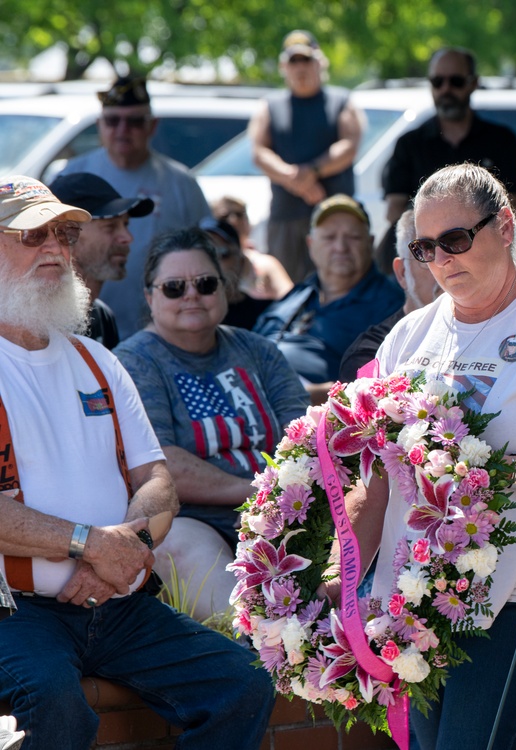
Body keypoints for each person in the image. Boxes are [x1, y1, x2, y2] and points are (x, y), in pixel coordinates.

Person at [329, 163, 516, 749]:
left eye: (457, 240)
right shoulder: (408, 338)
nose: (441, 259)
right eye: (425, 246)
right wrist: (343, 573)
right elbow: (376, 475)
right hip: (425, 589)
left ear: (506, 226)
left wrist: (483, 478)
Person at [0, 176, 273, 748]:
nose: (54, 247)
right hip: (15, 616)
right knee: (52, 703)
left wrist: (114, 558)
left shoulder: (97, 359)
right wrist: (90, 544)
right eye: (32, 234)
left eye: (63, 233)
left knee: (243, 683)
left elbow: (156, 482)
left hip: (115, 601)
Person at [114, 228, 309, 620]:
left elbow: (303, 437)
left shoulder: (258, 350)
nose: (191, 295)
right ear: (150, 296)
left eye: (205, 284)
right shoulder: (132, 362)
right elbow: (161, 466)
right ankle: (264, 657)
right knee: (245, 613)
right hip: (189, 521)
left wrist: (274, 502)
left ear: (225, 289)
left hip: (282, 511)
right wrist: (256, 492)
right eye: (173, 287)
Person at [60, 76, 212, 339]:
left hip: (159, 334)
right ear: (99, 125)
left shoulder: (181, 182)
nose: (122, 129)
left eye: (134, 121)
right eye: (112, 120)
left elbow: (206, 253)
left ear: (152, 126)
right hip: (78, 325)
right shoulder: (74, 175)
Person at [380, 46, 516, 272]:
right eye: (437, 82)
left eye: (456, 81)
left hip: (485, 259)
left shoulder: (501, 140)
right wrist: (438, 233)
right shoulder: (409, 143)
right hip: (427, 262)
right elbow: (395, 211)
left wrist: (468, 229)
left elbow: (515, 203)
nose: (446, 89)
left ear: (473, 83)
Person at [253, 194, 403, 403]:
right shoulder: (297, 295)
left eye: (353, 237)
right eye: (329, 237)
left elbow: (382, 388)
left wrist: (313, 394)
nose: (340, 247)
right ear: (311, 244)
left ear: (370, 243)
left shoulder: (393, 305)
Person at [249, 30, 365, 283]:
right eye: (294, 61)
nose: (300, 67)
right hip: (286, 218)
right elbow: (259, 151)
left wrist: (312, 171)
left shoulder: (341, 101)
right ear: (284, 66)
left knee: (340, 284)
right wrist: (295, 179)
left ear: (320, 62)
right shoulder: (270, 105)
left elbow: (349, 145)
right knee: (287, 289)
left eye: (306, 60)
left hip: (335, 217)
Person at [48, 172, 155, 349]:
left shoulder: (101, 316)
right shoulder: (34, 323)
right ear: (66, 235)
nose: (127, 237)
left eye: (126, 224)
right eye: (110, 226)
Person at [339, 209, 439, 379]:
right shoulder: (369, 355)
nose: (445, 264)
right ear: (402, 273)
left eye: (456, 247)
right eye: (426, 254)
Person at [211, 195, 294, 300]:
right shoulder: (205, 264)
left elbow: (292, 300)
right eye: (224, 217)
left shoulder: (264, 264)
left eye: (239, 214)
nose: (233, 220)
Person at [198, 216, 272, 330]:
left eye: (222, 253)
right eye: (203, 255)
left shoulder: (268, 314)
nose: (212, 263)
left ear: (240, 259)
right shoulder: (184, 317)